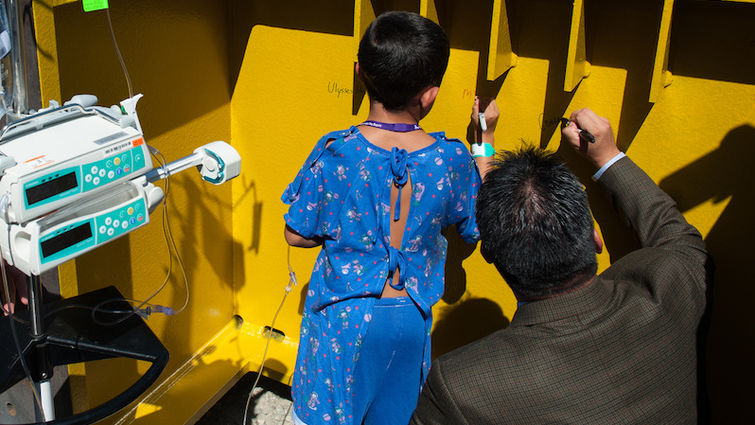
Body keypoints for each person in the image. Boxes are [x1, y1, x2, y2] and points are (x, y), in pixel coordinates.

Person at [411, 108, 710, 424]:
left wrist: (484, 148)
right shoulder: (675, 285)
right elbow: (675, 233)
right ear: (595, 239)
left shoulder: (460, 385)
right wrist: (609, 157)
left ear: (491, 256)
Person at [281, 11, 498, 425]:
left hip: (340, 320)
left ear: (360, 72)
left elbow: (297, 235)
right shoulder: (450, 158)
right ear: (430, 96)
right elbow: (478, 225)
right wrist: (484, 141)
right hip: (407, 321)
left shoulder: (337, 151)